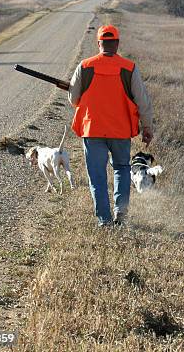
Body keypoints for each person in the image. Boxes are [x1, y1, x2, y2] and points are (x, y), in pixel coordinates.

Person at [68, 24, 153, 227]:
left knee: (97, 176)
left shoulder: (85, 66)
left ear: (99, 43)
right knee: (122, 170)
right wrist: (147, 127)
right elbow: (142, 100)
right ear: (116, 43)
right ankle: (121, 214)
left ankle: (104, 221)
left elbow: (73, 99)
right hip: (120, 130)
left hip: (93, 129)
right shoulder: (129, 67)